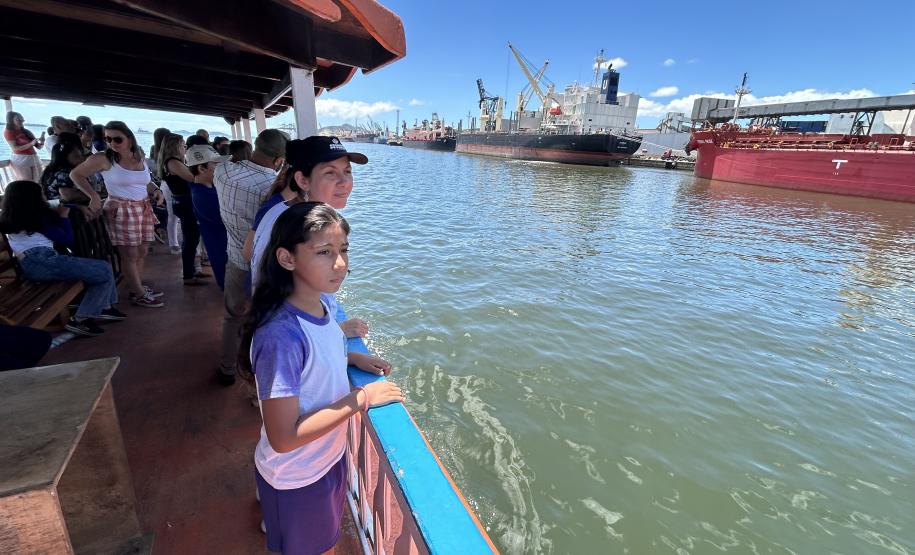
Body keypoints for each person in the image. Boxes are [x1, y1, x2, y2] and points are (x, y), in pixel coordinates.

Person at [237, 202, 401, 554]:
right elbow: (283, 437)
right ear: (287, 258)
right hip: (296, 476)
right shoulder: (280, 335)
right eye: (324, 252)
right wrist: (362, 398)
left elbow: (321, 349)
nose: (340, 263)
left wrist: (353, 356)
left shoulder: (321, 304)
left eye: (343, 250)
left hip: (325, 459)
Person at [246, 136, 369, 339]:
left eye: (347, 171)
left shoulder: (280, 209)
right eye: (330, 173)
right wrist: (338, 331)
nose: (345, 182)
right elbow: (287, 316)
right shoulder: (294, 226)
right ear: (303, 180)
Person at [0, 180, 126, 336]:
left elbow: (60, 203)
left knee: (102, 267)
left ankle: (104, 307)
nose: (44, 197)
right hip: (42, 262)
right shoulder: (39, 219)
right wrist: (63, 218)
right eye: (41, 194)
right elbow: (66, 239)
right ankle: (81, 320)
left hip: (33, 262)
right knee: (103, 270)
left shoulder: (14, 216)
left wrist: (75, 206)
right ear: (33, 199)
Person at [213, 129, 287, 385]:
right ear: (279, 160)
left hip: (234, 257)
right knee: (264, 322)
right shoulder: (270, 188)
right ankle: (259, 380)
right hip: (262, 266)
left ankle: (226, 369)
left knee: (232, 316)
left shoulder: (221, 172)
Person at [71, 121, 165, 308]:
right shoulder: (104, 159)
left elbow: (144, 182)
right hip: (121, 209)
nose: (112, 143)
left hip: (143, 208)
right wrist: (93, 195)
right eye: (107, 139)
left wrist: (156, 190)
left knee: (142, 250)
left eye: (117, 139)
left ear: (129, 138)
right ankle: (139, 293)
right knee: (129, 254)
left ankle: (135, 287)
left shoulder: (138, 156)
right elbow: (76, 174)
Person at [157, 133, 209, 285]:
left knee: (191, 238)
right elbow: (192, 178)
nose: (184, 149)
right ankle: (188, 275)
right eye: (183, 146)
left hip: (182, 202)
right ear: (175, 146)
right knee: (191, 239)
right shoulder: (173, 162)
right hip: (184, 202)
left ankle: (191, 271)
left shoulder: (173, 162)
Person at [185, 144, 230, 289]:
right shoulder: (202, 196)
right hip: (223, 252)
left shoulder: (206, 189)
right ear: (202, 168)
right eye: (216, 164)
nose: (221, 168)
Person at [4, 111, 44, 181]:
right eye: (18, 119)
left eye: (22, 119)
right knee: (26, 183)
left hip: (34, 158)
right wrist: (31, 144)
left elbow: (39, 147)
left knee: (39, 181)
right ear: (11, 120)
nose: (21, 121)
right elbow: (15, 148)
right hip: (21, 159)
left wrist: (42, 141)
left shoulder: (26, 131)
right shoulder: (9, 132)